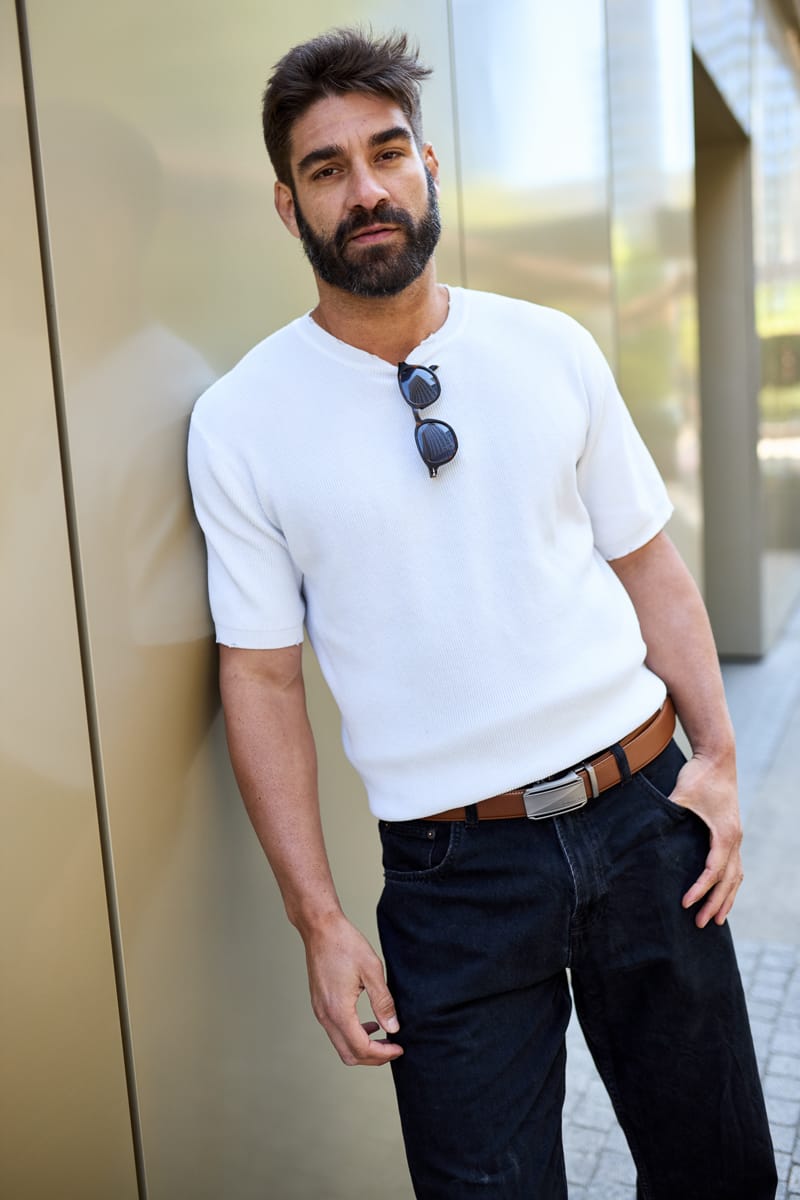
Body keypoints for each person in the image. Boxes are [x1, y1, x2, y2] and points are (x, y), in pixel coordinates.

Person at [187, 27, 777, 1199]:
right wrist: (318, 921)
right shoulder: (242, 420)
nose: (365, 189)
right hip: (450, 878)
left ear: (427, 166)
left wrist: (716, 760)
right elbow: (258, 677)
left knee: (718, 1174)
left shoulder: (547, 346)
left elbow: (647, 562)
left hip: (643, 817)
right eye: (325, 169)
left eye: (385, 152)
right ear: (287, 205)